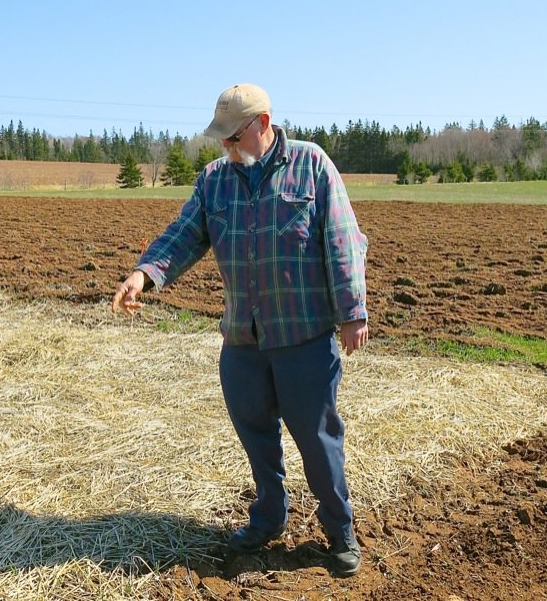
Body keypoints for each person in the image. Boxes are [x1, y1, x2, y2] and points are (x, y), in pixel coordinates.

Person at [111, 83, 368, 577]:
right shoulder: (215, 180)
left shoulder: (312, 166)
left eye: (232, 137)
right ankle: (270, 517)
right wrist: (143, 274)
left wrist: (352, 312)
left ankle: (339, 530)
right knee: (256, 439)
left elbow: (343, 240)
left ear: (263, 125)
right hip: (243, 343)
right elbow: (184, 234)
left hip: (304, 338)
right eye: (222, 138)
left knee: (318, 442)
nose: (225, 146)